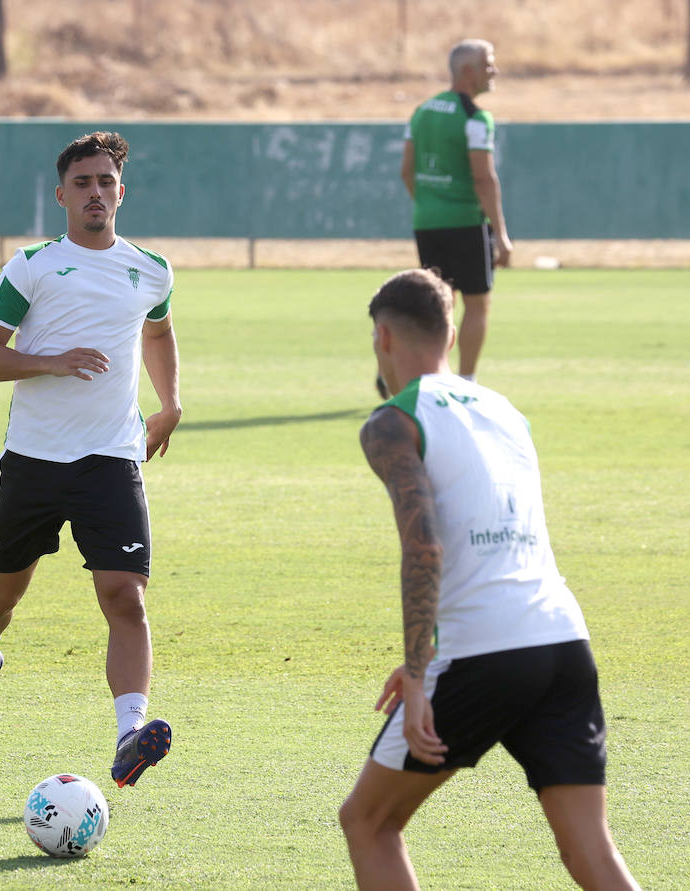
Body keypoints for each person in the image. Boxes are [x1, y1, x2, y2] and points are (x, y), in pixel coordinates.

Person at [338, 268, 639, 890]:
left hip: (485, 651)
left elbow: (426, 547)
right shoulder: (506, 411)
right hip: (561, 640)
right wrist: (433, 647)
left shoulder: (392, 422)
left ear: (384, 339)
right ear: (451, 334)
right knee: (592, 853)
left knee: (368, 822)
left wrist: (420, 673)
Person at [0, 132, 182, 790]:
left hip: (111, 461)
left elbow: (157, 328)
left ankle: (131, 734)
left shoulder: (150, 269)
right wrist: (50, 360)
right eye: (83, 183)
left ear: (121, 193)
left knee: (125, 598)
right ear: (62, 195)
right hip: (35, 462)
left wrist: (172, 401)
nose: (95, 192)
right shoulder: (33, 267)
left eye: (106, 181)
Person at [394, 38, 512, 395]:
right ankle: (466, 383)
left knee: (438, 302)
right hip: (465, 222)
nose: (494, 71)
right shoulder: (476, 118)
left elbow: (406, 171)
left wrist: (430, 202)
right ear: (467, 71)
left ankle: (416, 374)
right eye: (488, 64)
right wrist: (501, 234)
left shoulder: (421, 111)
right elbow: (483, 178)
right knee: (477, 302)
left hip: (427, 222)